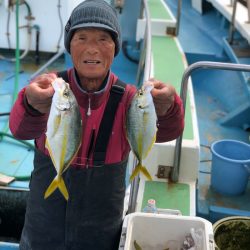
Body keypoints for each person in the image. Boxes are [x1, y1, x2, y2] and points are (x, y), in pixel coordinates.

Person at [9, 0, 184, 249]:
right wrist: (31, 103)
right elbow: (20, 129)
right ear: (70, 45)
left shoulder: (130, 98)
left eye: (103, 39)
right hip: (43, 222)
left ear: (115, 48)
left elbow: (169, 132)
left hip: (102, 226)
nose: (92, 49)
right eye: (81, 37)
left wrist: (167, 107)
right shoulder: (49, 89)